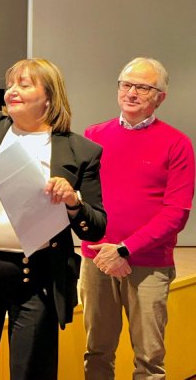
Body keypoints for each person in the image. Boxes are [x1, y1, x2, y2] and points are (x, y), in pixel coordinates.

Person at [0, 58, 107, 380]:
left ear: (49, 98)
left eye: (24, 85)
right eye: (10, 84)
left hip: (37, 281)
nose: (12, 91)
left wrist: (73, 202)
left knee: (31, 372)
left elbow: (95, 228)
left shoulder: (80, 151)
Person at [81, 57, 195, 380]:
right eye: (127, 85)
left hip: (149, 264)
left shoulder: (177, 144)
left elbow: (176, 214)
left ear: (160, 97)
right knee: (97, 353)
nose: (131, 93)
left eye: (143, 88)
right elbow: (84, 199)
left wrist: (124, 249)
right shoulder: (93, 136)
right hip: (97, 260)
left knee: (148, 360)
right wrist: (105, 249)